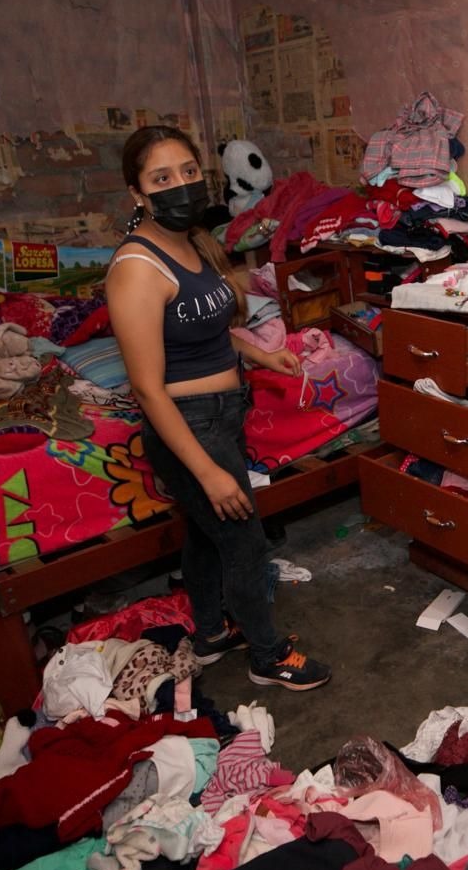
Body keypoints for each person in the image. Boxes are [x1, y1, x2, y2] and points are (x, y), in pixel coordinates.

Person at [106, 125, 331, 691]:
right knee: (245, 542)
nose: (181, 185)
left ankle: (210, 633)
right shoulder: (137, 268)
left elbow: (203, 328)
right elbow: (147, 388)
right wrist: (207, 471)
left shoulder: (191, 242)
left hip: (221, 413)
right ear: (137, 193)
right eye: (162, 178)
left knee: (207, 536)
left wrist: (260, 354)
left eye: (188, 171)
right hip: (188, 424)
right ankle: (267, 656)